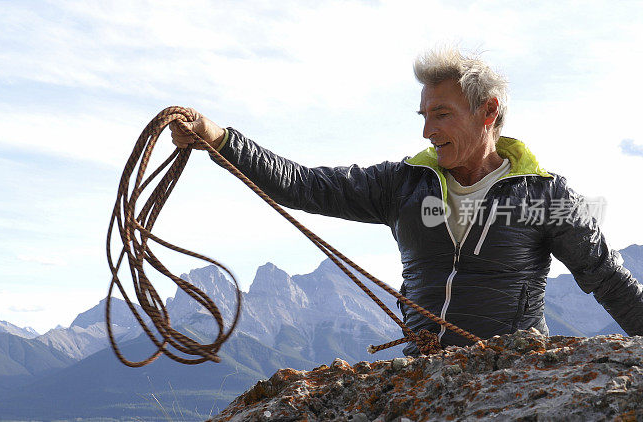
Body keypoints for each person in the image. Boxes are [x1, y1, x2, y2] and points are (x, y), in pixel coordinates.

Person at [170, 48, 643, 355]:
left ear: (488, 113)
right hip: (425, 369)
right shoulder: (402, 185)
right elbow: (303, 185)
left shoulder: (545, 195)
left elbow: (608, 278)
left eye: (442, 114)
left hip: (512, 370)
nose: (427, 130)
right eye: (423, 114)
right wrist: (222, 140)